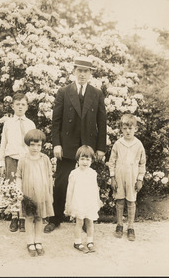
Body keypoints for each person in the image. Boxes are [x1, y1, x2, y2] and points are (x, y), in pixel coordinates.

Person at [44, 56, 107, 233]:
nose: (82, 74)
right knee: (62, 182)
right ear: (74, 71)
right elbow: (55, 122)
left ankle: (86, 221)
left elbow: (102, 122)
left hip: (87, 147)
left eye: (86, 71)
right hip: (67, 146)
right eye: (79, 71)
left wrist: (101, 147)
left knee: (86, 184)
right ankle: (55, 219)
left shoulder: (97, 93)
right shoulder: (64, 92)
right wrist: (56, 144)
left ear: (90, 74)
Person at [0, 92, 36, 232]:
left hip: (26, 160)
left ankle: (23, 218)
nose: (20, 107)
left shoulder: (30, 123)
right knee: (13, 188)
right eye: (17, 104)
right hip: (11, 158)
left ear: (27, 107)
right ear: (12, 106)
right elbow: (3, 143)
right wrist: (2, 163)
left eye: (23, 105)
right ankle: (14, 217)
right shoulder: (8, 123)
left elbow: (34, 144)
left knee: (25, 188)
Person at [16, 129, 54, 257]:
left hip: (42, 193)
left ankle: (38, 240)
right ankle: (29, 241)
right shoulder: (23, 160)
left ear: (42, 145)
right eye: (32, 144)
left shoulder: (45, 159)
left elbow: (49, 176)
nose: (35, 148)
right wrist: (19, 190)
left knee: (39, 217)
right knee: (29, 217)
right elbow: (18, 176)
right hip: (28, 194)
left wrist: (49, 193)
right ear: (27, 144)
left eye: (38, 145)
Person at [108, 114, 146, 241]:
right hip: (119, 176)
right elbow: (112, 162)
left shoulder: (138, 144)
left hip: (132, 176)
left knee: (131, 201)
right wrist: (112, 177)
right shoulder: (118, 144)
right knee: (119, 200)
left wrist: (140, 179)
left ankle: (130, 227)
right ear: (121, 129)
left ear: (136, 129)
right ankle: (119, 225)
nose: (128, 131)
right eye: (125, 128)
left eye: (130, 128)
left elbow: (142, 163)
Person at [64, 145, 101, 253]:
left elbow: (95, 188)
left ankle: (90, 241)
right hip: (78, 201)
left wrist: (97, 201)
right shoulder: (74, 174)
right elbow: (70, 190)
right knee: (79, 222)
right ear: (78, 159)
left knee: (90, 221)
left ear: (92, 161)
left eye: (87, 159)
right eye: (82, 159)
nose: (85, 162)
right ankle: (77, 242)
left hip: (89, 201)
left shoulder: (93, 173)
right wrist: (68, 204)